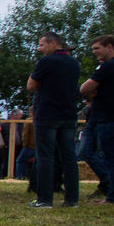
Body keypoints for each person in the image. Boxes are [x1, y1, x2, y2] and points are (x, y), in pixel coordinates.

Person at [26, 32, 81, 208]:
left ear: (52, 44)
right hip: (68, 114)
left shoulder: (47, 61)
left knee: (45, 157)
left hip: (47, 114)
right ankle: (71, 199)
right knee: (69, 157)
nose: (39, 49)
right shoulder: (73, 63)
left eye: (41, 45)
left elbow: (31, 85)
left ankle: (44, 199)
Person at [77, 35, 114, 205]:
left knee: (113, 159)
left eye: (97, 48)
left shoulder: (109, 66)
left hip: (111, 119)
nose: (94, 52)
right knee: (99, 155)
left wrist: (94, 90)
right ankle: (111, 192)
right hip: (109, 118)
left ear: (109, 47)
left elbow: (84, 88)